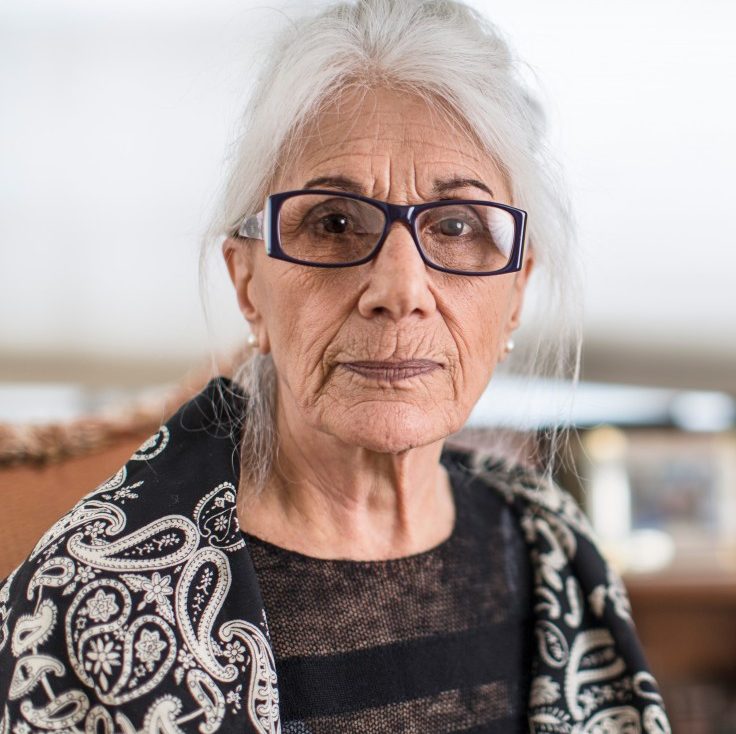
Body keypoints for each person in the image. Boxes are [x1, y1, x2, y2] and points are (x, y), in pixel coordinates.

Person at [0, 1, 669, 732]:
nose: (400, 291)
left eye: (456, 227)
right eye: (334, 222)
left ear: (515, 294)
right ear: (247, 283)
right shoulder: (90, 609)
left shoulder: (553, 554)